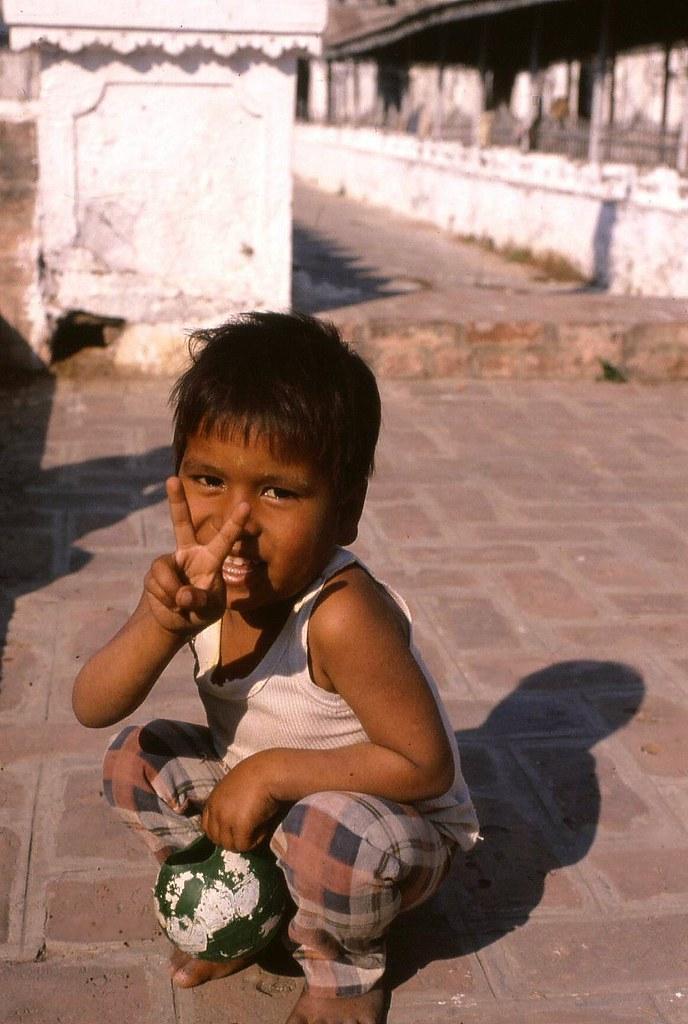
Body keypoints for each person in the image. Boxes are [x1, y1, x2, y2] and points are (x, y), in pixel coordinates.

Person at [72, 312, 479, 1024]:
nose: (237, 521)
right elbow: (91, 705)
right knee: (132, 759)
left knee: (333, 833)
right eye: (207, 479)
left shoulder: (343, 614)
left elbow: (424, 766)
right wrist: (163, 623)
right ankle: (249, 906)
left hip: (385, 826)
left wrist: (269, 774)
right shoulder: (199, 588)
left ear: (346, 511)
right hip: (274, 799)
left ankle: (346, 971)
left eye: (278, 492)